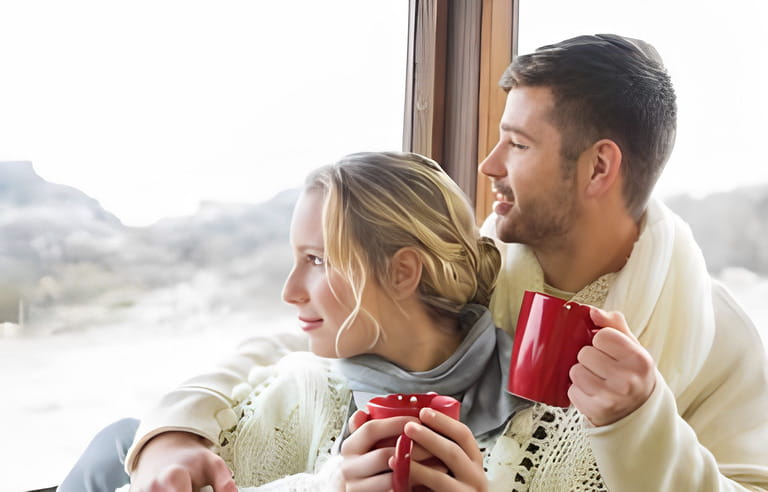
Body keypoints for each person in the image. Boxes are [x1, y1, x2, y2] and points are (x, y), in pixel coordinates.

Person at [122, 151, 533, 491]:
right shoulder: (291, 395)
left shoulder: (545, 414)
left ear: (402, 272)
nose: (290, 291)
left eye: (316, 260)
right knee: (118, 436)